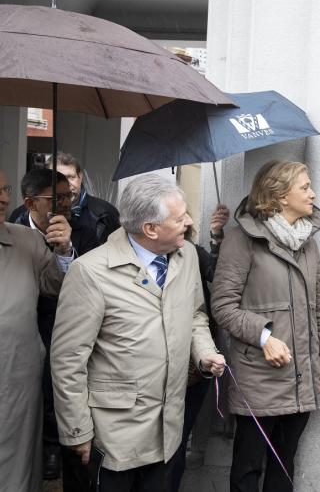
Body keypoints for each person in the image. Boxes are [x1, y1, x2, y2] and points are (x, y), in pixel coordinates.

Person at [51, 175, 226, 492]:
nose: (188, 222)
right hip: (114, 439)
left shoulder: (186, 257)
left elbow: (196, 314)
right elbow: (67, 361)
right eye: (180, 217)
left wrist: (204, 353)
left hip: (167, 434)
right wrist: (77, 432)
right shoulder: (91, 272)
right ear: (150, 229)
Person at [211, 160, 320, 492]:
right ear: (280, 195)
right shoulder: (241, 240)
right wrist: (264, 336)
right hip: (260, 377)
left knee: (284, 468)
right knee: (247, 468)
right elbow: (222, 307)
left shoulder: (307, 242)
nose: (313, 194)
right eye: (305, 187)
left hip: (302, 376)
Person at [15, 169, 99, 484]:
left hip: (63, 320)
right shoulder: (13, 228)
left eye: (68, 195)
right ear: (30, 203)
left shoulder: (85, 228)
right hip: (23, 321)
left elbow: (90, 279)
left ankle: (54, 444)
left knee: (55, 384)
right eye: (56, 198)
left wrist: (65, 250)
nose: (65, 202)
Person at [0, 169, 73, 492]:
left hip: (18, 375)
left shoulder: (27, 240)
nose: (4, 199)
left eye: (4, 190)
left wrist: (64, 250)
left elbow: (58, 286)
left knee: (16, 463)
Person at [166, 204, 230, 492]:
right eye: (179, 217)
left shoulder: (193, 253)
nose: (188, 221)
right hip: (150, 374)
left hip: (192, 368)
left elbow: (220, 278)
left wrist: (217, 237)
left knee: (177, 441)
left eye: (186, 216)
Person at [12, 152, 120, 245]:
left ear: (80, 176)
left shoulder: (105, 213)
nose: (66, 183)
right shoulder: (19, 218)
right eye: (57, 178)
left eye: (71, 177)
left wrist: (66, 252)